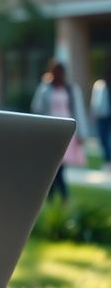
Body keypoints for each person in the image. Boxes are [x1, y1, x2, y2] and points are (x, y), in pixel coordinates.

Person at [32, 61, 90, 202]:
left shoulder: (71, 89)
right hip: (52, 130)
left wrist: (81, 132)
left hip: (66, 129)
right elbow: (37, 107)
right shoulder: (45, 88)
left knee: (58, 165)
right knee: (57, 164)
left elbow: (78, 111)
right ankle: (61, 196)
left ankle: (55, 196)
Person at [91, 62, 111, 171]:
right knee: (103, 139)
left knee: (107, 138)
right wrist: (93, 113)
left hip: (107, 115)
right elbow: (95, 102)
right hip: (101, 115)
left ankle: (108, 161)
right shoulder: (99, 85)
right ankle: (107, 160)